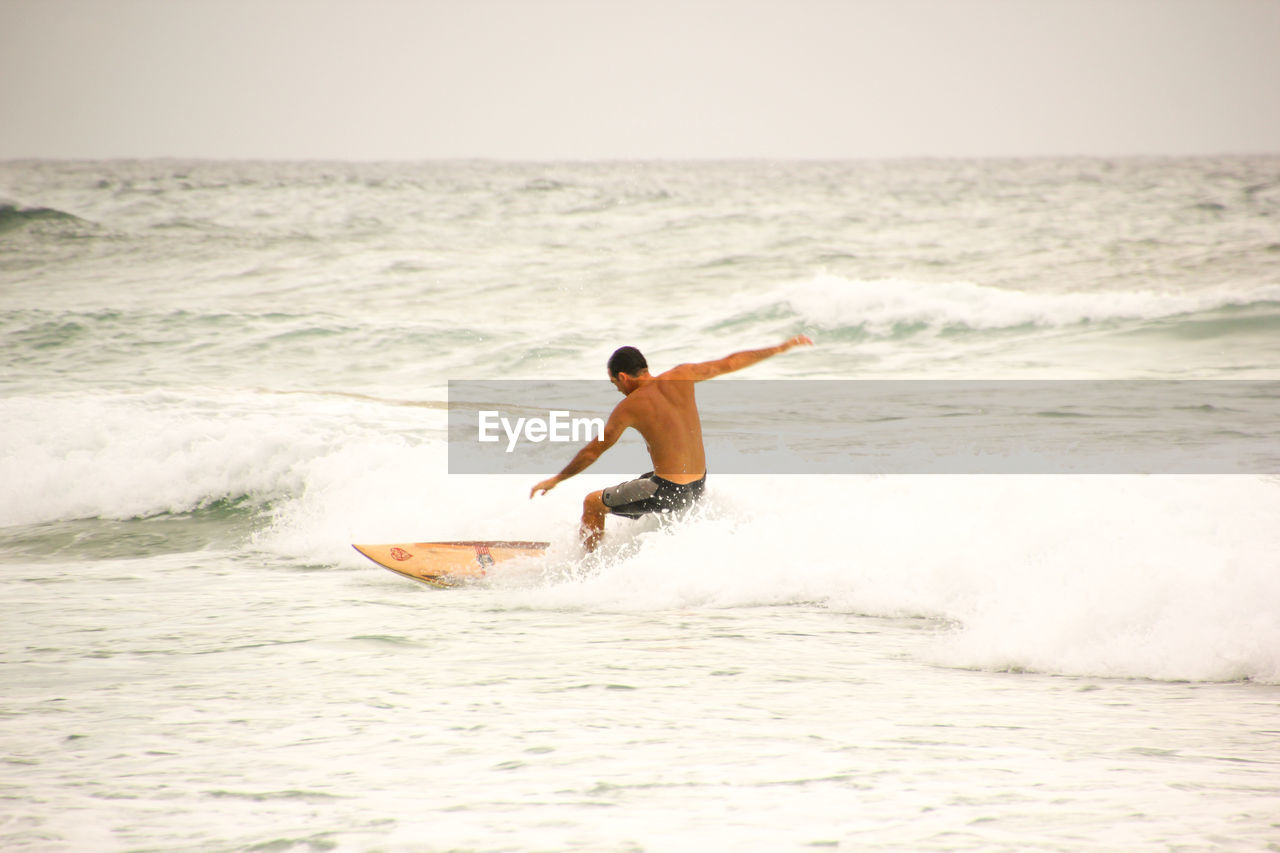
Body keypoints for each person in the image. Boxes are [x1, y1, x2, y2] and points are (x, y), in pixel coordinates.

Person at [530, 335, 814, 551]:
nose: (617, 390)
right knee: (642, 483)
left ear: (623, 377)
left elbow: (594, 450)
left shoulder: (630, 406)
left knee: (592, 503)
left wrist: (557, 479)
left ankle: (585, 568)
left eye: (615, 384)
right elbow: (731, 362)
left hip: (668, 490)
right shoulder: (683, 375)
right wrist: (779, 349)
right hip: (697, 485)